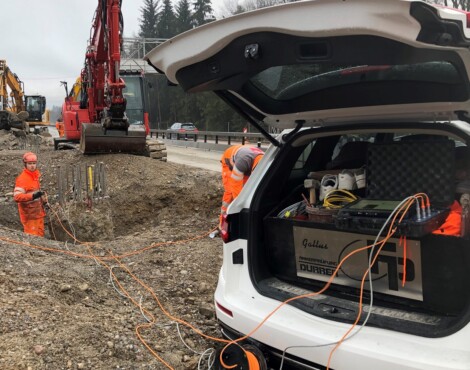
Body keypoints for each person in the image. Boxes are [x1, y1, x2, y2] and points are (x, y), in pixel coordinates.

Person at [220, 144, 264, 225]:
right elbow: (235, 186)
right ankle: (223, 223)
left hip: (247, 163)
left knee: (246, 190)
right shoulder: (242, 162)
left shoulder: (265, 160)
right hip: (229, 163)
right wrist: (241, 207)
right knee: (230, 193)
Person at [13, 152, 47, 237]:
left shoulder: (36, 177)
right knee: (32, 239)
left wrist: (43, 200)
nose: (32, 166)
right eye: (30, 164)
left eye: (34, 163)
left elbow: (36, 192)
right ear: (25, 164)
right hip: (29, 216)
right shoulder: (22, 179)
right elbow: (17, 197)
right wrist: (33, 196)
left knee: (41, 238)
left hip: (38, 214)